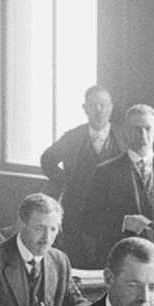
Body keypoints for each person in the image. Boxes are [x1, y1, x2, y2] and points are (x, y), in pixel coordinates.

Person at [83, 104, 154, 283]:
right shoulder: (106, 172)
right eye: (136, 130)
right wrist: (123, 222)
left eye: (147, 129)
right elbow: (87, 220)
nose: (143, 135)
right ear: (125, 132)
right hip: (124, 265)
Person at [39, 85, 126, 267]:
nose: (99, 110)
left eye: (103, 105)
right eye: (93, 105)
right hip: (77, 215)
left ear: (111, 107)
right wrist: (66, 181)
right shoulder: (73, 137)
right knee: (77, 264)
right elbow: (47, 159)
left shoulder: (124, 138)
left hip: (112, 216)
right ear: (85, 108)